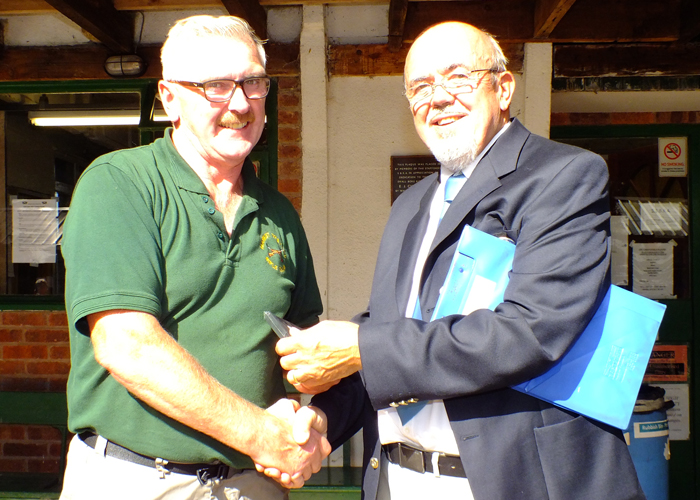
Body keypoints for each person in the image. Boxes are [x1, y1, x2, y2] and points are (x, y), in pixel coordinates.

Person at [274, 21, 646, 500]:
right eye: (420, 87)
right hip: (397, 478)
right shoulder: (409, 205)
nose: (439, 97)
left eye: (458, 78)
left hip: (509, 483)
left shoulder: (564, 176)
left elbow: (532, 329)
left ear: (503, 87)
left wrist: (362, 346)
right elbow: (392, 328)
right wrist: (321, 416)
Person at [59, 15, 329, 500]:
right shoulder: (121, 183)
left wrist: (306, 416)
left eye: (252, 82)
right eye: (216, 86)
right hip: (136, 480)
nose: (240, 104)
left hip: (253, 484)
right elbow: (128, 346)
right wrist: (263, 437)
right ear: (169, 98)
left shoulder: (279, 214)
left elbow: (300, 355)